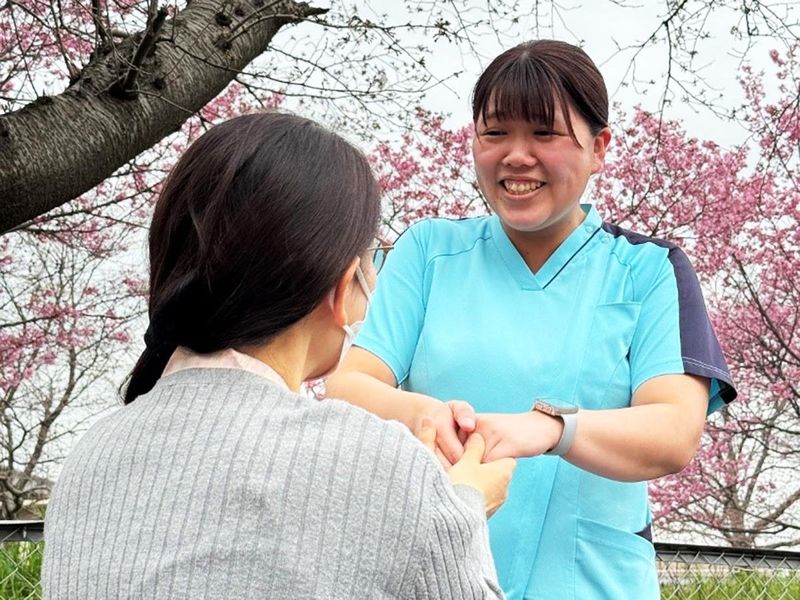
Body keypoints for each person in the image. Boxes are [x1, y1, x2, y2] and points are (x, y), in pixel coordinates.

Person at [41, 112, 516, 599]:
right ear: (339, 287)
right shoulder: (378, 462)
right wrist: (462, 509)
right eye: (372, 263)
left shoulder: (91, 451)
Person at [326, 40, 737, 600]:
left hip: (590, 583)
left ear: (599, 148)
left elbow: (673, 432)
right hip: (436, 576)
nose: (517, 156)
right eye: (495, 134)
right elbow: (348, 385)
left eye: (545, 134)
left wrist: (550, 428)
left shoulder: (647, 270)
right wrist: (425, 413)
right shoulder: (427, 252)